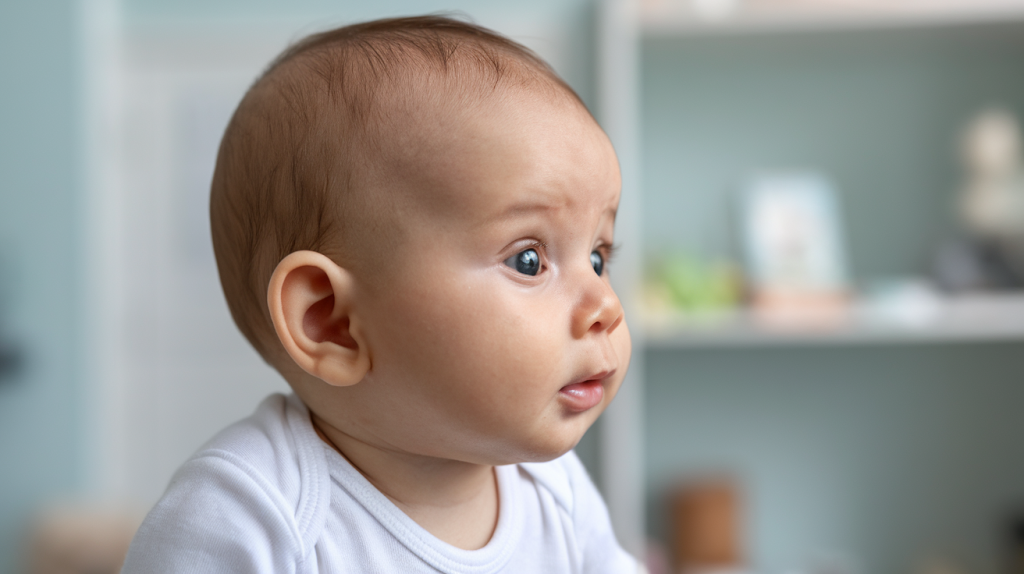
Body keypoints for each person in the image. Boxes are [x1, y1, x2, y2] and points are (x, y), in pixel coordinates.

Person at [121, 15, 637, 573]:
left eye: (598, 257)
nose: (605, 305)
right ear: (332, 323)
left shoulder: (554, 490)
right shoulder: (247, 516)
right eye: (528, 260)